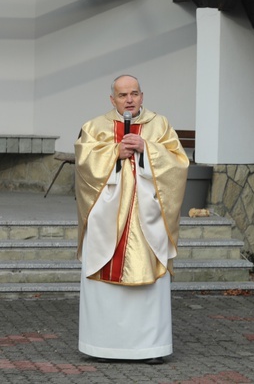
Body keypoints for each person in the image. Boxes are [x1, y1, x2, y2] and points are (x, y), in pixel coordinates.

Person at [75, 74, 189, 363]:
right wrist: (115, 152)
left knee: (148, 283)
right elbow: (84, 164)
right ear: (111, 99)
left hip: (146, 216)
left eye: (134, 94)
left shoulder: (159, 125)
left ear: (142, 96)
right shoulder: (94, 127)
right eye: (123, 95)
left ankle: (151, 348)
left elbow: (178, 164)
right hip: (107, 219)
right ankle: (101, 345)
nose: (129, 99)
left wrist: (147, 150)